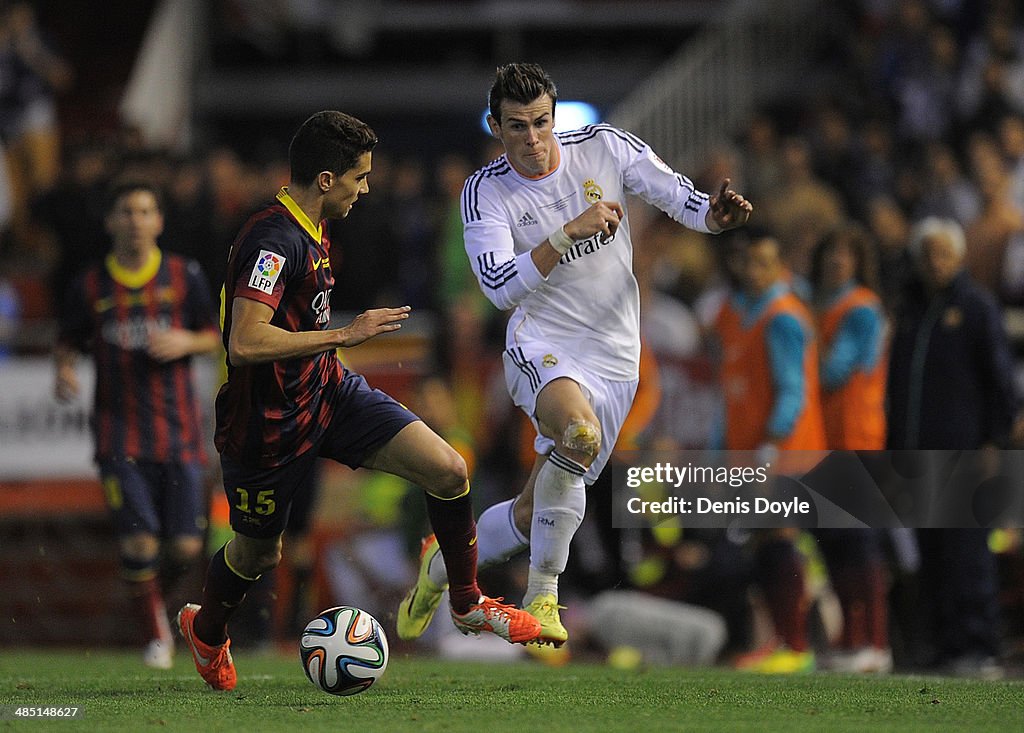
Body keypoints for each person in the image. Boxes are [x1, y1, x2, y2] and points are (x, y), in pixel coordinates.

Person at [176, 111, 540, 692]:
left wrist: (338, 359)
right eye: (359, 177)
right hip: (265, 424)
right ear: (326, 179)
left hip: (328, 392)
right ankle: (208, 631)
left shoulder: (313, 229)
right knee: (256, 555)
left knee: (448, 469)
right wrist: (343, 335)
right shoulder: (274, 240)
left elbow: (299, 324)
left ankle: (468, 601)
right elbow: (245, 341)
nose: (365, 189)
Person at [397, 62, 752, 647]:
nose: (533, 140)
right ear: (496, 125)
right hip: (543, 342)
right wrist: (565, 235)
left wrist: (715, 216)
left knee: (527, 513)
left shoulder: (606, 147)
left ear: (554, 117)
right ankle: (544, 593)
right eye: (517, 127)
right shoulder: (485, 191)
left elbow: (681, 199)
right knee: (578, 436)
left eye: (541, 123)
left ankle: (441, 565)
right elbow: (497, 286)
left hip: (616, 357)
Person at [53, 180, 221, 669]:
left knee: (187, 547)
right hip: (118, 434)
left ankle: (146, 603)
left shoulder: (183, 274)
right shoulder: (89, 284)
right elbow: (67, 340)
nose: (136, 220)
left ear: (159, 221)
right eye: (126, 211)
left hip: (181, 433)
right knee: (140, 541)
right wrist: (63, 369)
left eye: (145, 210)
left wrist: (184, 342)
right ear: (111, 221)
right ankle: (155, 637)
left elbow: (213, 335)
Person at [886, 216, 1016, 678]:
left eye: (942, 254)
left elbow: (1000, 381)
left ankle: (978, 646)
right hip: (918, 455)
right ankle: (943, 645)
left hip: (965, 451)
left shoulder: (976, 307)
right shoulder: (911, 309)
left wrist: (993, 442)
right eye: (928, 254)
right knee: (932, 553)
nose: (935, 263)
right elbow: (897, 384)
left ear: (958, 257)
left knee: (967, 553)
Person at [714, 234, 825, 673]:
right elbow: (735, 394)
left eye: (765, 263)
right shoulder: (742, 315)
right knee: (763, 542)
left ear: (779, 268)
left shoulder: (783, 318)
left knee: (780, 538)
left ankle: (797, 646)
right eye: (749, 262)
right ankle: (779, 641)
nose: (755, 271)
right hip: (752, 452)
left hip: (782, 452)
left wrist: (769, 447)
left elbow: (792, 391)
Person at [809, 224, 892, 673]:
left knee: (861, 543)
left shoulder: (861, 309)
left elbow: (834, 371)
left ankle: (875, 641)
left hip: (857, 437)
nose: (837, 261)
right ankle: (852, 639)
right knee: (836, 544)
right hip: (826, 441)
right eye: (832, 253)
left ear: (859, 263)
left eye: (847, 254)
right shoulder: (823, 309)